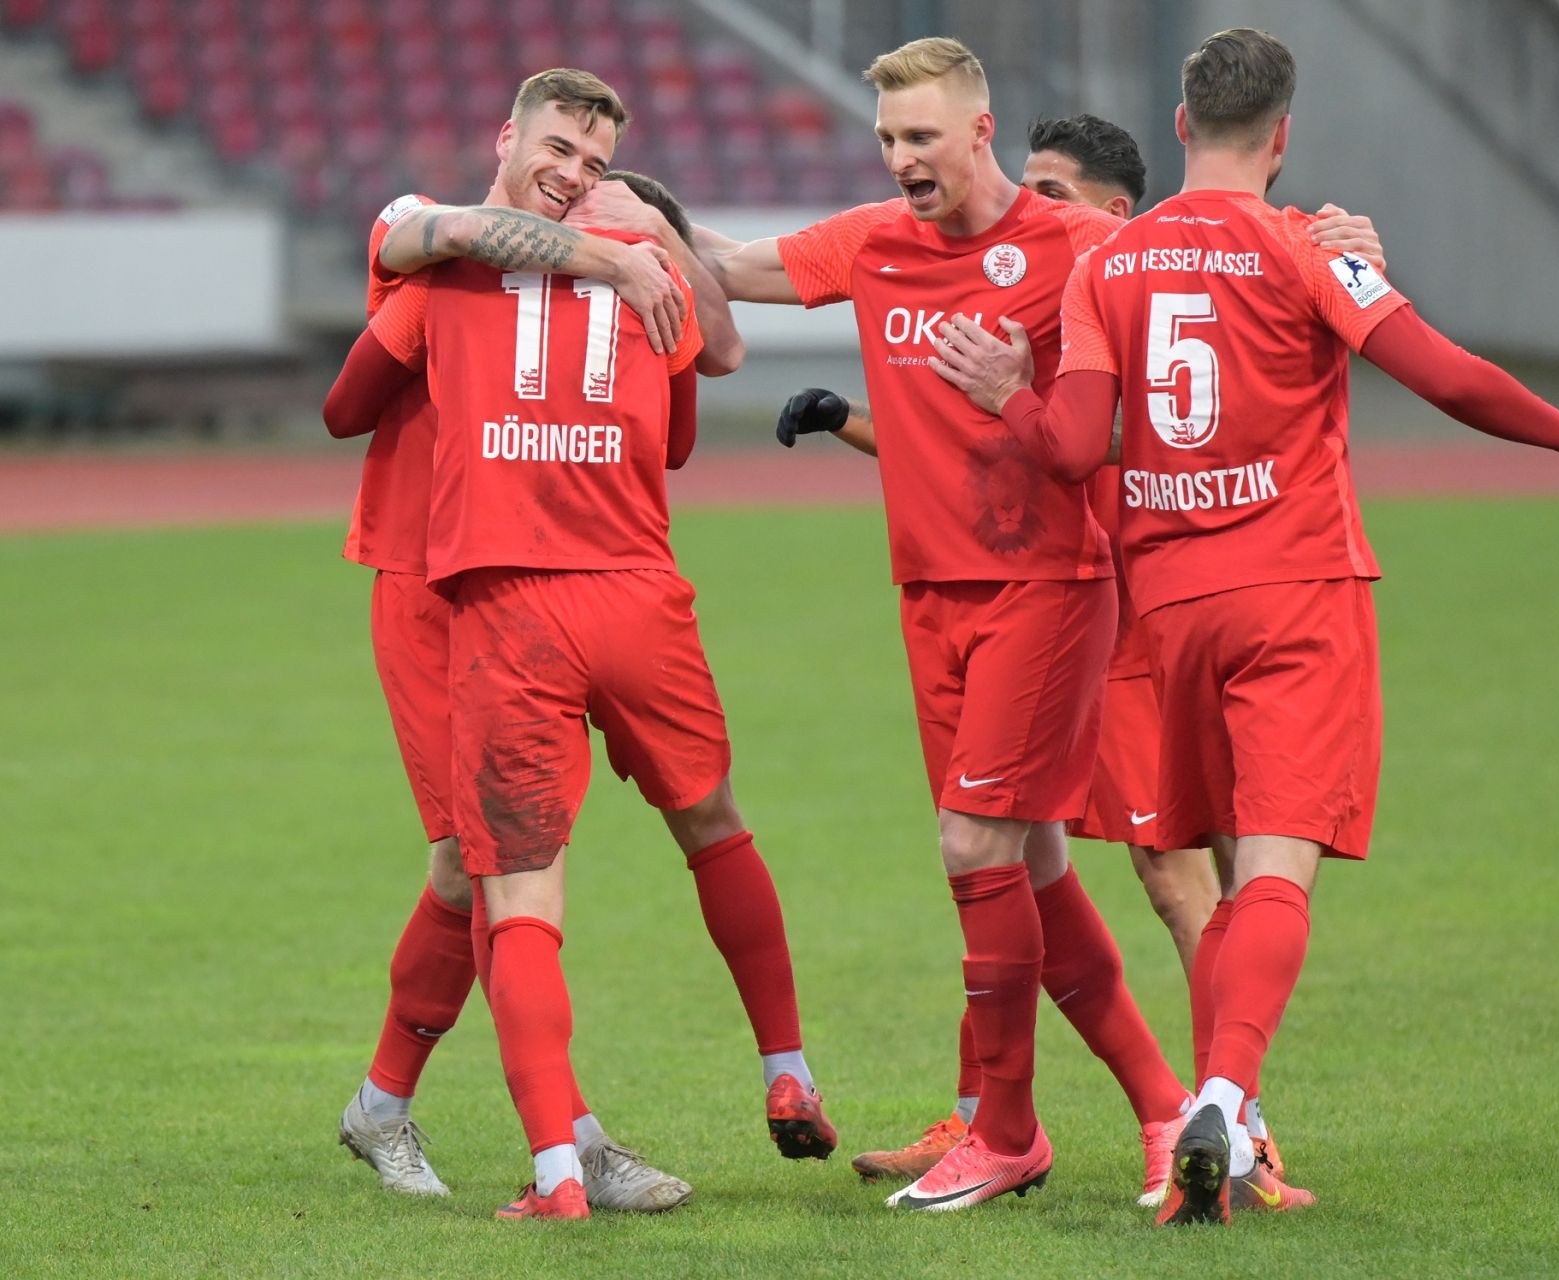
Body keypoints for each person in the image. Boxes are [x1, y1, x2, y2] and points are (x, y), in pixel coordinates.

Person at [930, 27, 1559, 1226]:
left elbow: (1074, 447)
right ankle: (1224, 1098)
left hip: (1171, 609)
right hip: (1297, 591)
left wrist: (1009, 393)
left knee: (1212, 873)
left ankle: (1231, 1122)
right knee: (1272, 866)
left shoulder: (1107, 263)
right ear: (1283, 136)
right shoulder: (1309, 246)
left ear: (1179, 127)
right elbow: (1442, 372)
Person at [774, 113, 1347, 1211]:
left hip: (1131, 617)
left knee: (1175, 873)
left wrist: (1333, 241)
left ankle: (1233, 1122)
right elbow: (989, 448)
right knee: (1020, 852)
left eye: (1056, 192)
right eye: (1027, 185)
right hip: (1062, 610)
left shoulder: (1129, 294)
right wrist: (854, 417)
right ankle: (1029, 1111)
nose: (1033, 208)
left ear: (1117, 216)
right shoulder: (1050, 302)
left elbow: (1122, 437)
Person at [695, 37, 1203, 1213]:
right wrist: (616, 215)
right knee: (1032, 865)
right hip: (931, 597)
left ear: (980, 131)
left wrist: (1329, 246)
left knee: (975, 849)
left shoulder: (1075, 244)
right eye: (887, 138)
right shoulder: (873, 240)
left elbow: (1204, 281)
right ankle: (1165, 1108)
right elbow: (730, 264)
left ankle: (1008, 1132)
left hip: (1046, 587)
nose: (901, 157)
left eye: (920, 135)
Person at [324, 69, 830, 1218]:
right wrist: (613, 253)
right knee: (480, 861)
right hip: (428, 581)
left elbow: (713, 356)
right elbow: (358, 382)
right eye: (558, 148)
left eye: (595, 165)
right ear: (506, 135)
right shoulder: (430, 233)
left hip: (524, 578)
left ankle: (441, 1113)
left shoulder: (590, 271)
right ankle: (540, 1134)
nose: (573, 175)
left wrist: (646, 242)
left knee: (490, 865)